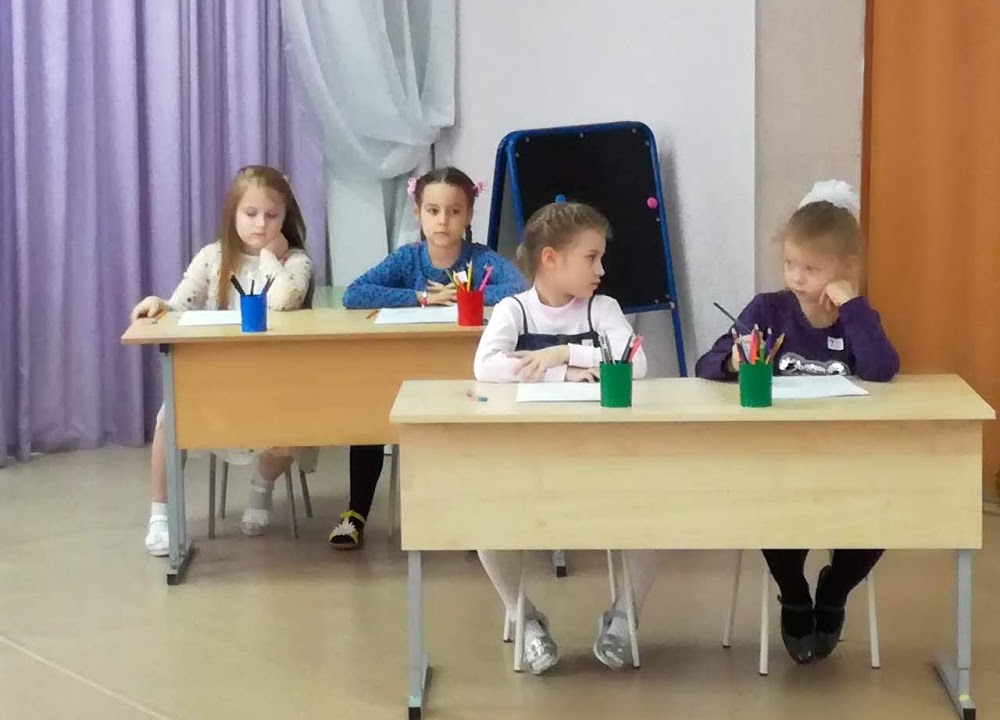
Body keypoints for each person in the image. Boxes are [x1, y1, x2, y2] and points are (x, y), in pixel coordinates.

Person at [695, 180, 899, 663]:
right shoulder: (769, 309)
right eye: (790, 264)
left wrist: (853, 307)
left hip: (847, 459)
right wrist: (734, 362)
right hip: (780, 460)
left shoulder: (856, 316)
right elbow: (707, 363)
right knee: (774, 511)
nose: (797, 277)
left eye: (812, 268)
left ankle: (834, 591)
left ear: (844, 268)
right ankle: (794, 594)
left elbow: (881, 368)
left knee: (888, 513)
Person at [473, 199, 655, 674]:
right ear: (551, 259)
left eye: (601, 257)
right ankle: (524, 616)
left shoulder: (603, 308)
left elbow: (635, 362)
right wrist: (563, 375)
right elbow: (485, 367)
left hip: (602, 458)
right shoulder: (514, 310)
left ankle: (624, 615)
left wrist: (562, 354)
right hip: (530, 460)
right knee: (481, 520)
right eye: (591, 257)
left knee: (660, 512)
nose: (601, 269)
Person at [330, 166, 525, 551]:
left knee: (476, 423)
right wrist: (421, 297)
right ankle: (356, 513)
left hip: (462, 376)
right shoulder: (408, 259)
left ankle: (475, 513)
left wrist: (464, 294)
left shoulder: (481, 259)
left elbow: (520, 288)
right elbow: (355, 293)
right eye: (433, 211)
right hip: (402, 374)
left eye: (454, 211)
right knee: (369, 415)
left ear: (468, 215)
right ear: (418, 213)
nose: (443, 221)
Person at [131, 166, 314, 555]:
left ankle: (261, 488)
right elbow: (180, 305)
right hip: (217, 380)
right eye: (251, 214)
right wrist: (158, 303)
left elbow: (284, 300)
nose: (261, 224)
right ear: (233, 214)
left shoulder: (294, 262)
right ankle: (161, 515)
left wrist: (270, 257)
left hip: (271, 379)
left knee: (294, 421)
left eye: (272, 215)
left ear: (285, 218)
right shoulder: (213, 257)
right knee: (169, 417)